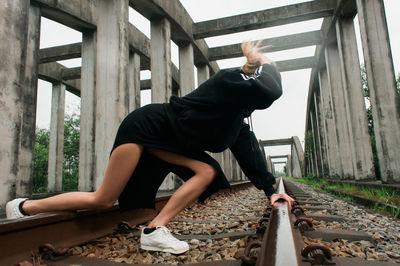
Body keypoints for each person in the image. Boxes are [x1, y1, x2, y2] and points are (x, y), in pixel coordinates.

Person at [6, 41, 295, 254]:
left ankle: (155, 230)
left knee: (206, 171)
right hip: (146, 127)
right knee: (104, 200)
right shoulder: (226, 81)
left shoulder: (236, 125)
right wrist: (262, 62)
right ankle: (23, 207)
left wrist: (272, 192)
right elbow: (271, 89)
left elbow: (251, 157)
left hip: (167, 140)